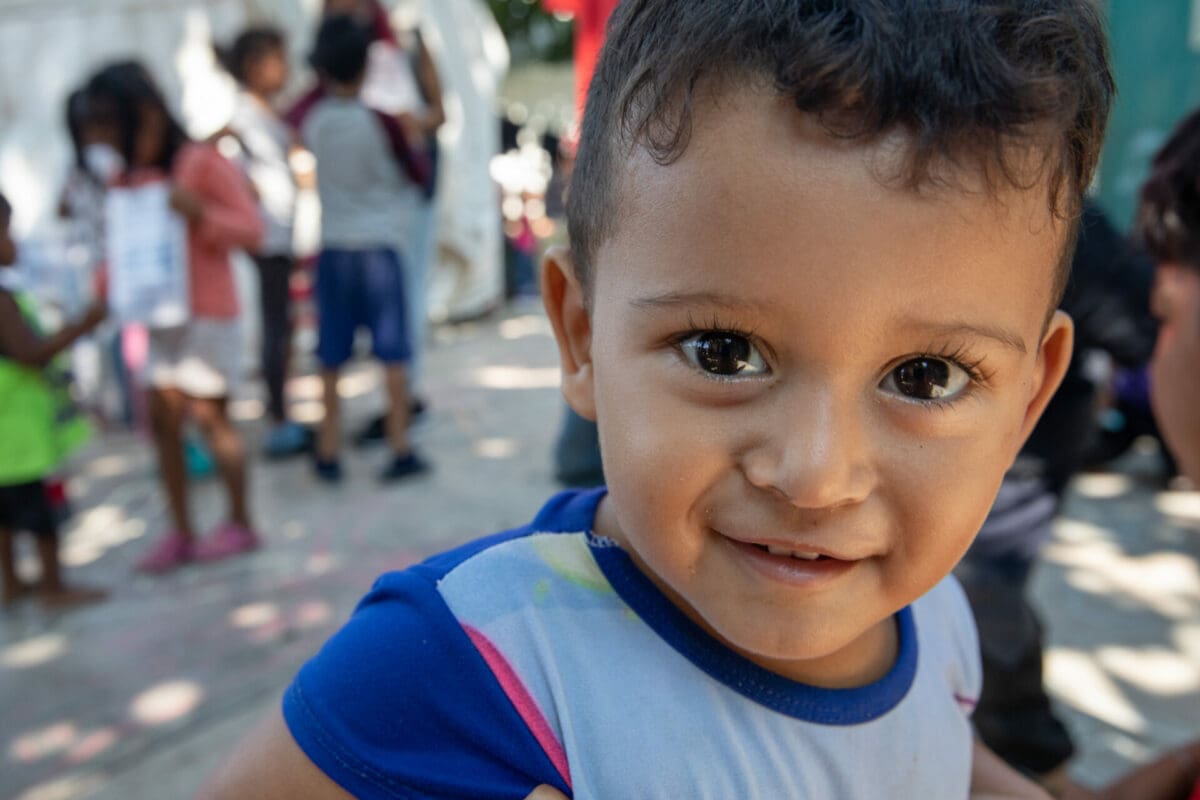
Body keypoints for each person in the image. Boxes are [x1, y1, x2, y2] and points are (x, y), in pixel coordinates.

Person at [200, 1, 1112, 796]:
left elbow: (931, 762)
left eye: (926, 378)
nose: (815, 475)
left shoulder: (935, 616)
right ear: (580, 335)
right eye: (724, 353)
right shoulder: (467, 664)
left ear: (1029, 401)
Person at [958, 200, 1159, 790]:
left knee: (981, 608)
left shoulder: (1061, 226)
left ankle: (1045, 767)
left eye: (925, 374)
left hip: (1017, 478)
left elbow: (1147, 325)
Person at [83, 62, 265, 572]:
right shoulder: (125, 180)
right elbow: (118, 251)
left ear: (146, 115)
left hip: (208, 316)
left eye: (111, 127)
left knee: (213, 419)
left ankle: (240, 522)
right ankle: (182, 531)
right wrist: (101, 291)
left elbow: (251, 228)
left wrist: (201, 215)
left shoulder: (201, 163)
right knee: (163, 426)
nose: (105, 142)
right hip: (155, 320)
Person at [299, 15, 430, 483]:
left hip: (333, 250)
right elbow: (418, 174)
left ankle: (328, 449)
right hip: (379, 248)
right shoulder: (383, 123)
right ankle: (399, 445)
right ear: (366, 66)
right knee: (392, 353)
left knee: (330, 354)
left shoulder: (313, 122)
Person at [0, 192, 108, 609]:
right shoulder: (3, 299)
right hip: (20, 434)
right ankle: (53, 587)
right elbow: (30, 354)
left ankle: (11, 582)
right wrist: (82, 326)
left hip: (8, 438)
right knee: (41, 514)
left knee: (5, 517)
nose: (14, 244)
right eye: (6, 233)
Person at [217, 26, 310, 459]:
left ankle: (282, 412)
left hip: (280, 234)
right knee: (276, 327)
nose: (285, 69)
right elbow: (231, 165)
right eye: (278, 58)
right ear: (255, 66)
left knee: (282, 325)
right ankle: (277, 419)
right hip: (267, 237)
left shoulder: (265, 113)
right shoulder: (243, 117)